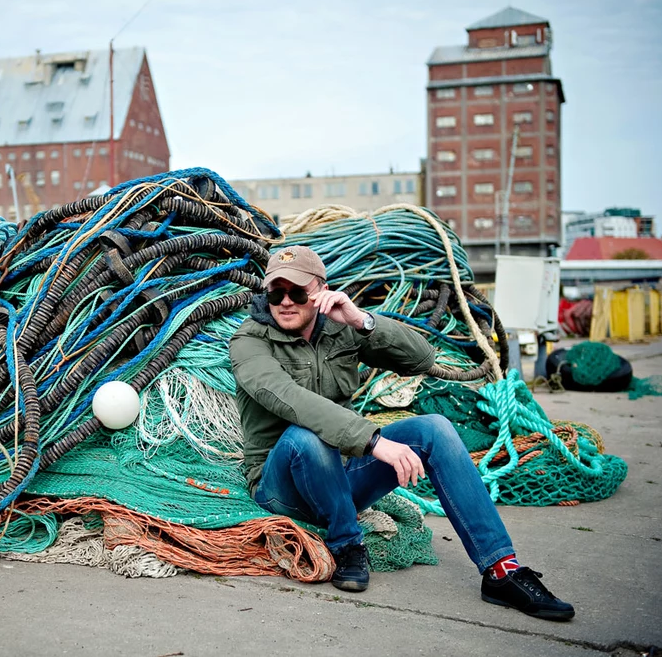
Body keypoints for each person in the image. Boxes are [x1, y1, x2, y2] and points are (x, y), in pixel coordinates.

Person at [228, 245, 574, 621]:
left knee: (435, 429)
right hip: (281, 490)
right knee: (307, 435)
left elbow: (422, 359)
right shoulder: (249, 342)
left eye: (297, 292)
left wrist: (363, 321)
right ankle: (346, 544)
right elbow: (291, 399)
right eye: (275, 293)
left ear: (321, 291)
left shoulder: (341, 328)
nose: (285, 302)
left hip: (340, 480)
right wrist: (375, 442)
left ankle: (501, 570)